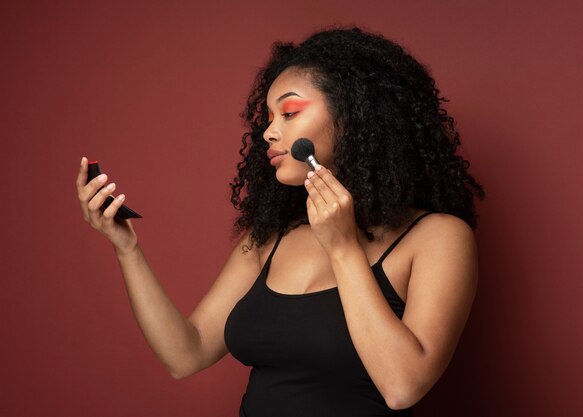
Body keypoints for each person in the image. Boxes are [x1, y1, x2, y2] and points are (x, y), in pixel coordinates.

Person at [76, 27, 484, 417]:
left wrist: (342, 248)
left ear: (357, 117)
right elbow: (186, 354)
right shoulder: (269, 239)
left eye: (289, 113)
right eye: (268, 118)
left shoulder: (437, 238)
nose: (269, 132)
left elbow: (401, 387)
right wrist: (126, 247)